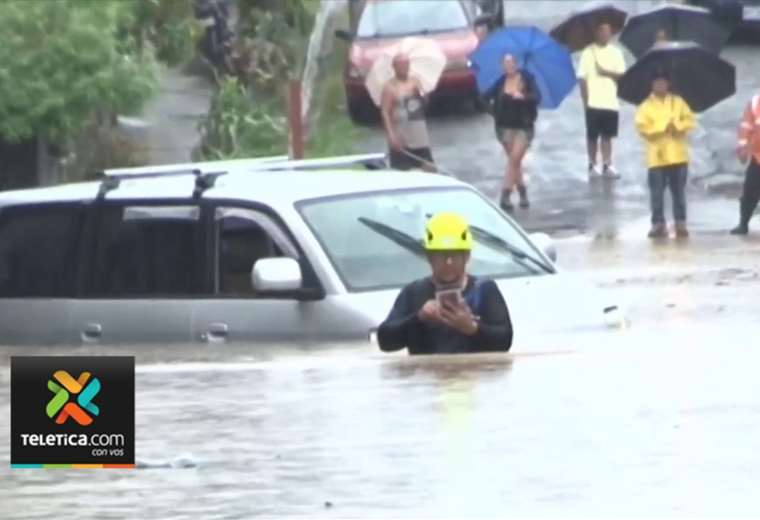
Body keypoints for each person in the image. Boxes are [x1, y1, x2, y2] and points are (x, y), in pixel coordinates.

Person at [377, 212, 513, 355]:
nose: (448, 262)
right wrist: (419, 318)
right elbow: (385, 341)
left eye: (454, 255)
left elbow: (505, 341)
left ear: (466, 256)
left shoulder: (484, 290)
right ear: (429, 257)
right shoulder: (414, 292)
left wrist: (472, 328)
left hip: (474, 375)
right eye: (442, 255)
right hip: (427, 375)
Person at [635, 70, 695, 239]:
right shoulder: (645, 106)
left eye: (663, 82)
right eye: (657, 82)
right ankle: (658, 224)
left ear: (668, 84)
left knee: (679, 192)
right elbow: (642, 128)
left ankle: (680, 222)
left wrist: (677, 126)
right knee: (657, 194)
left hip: (678, 155)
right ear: (652, 85)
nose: (660, 85)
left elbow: (690, 121)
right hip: (657, 157)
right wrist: (662, 127)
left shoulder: (678, 102)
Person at [486, 54, 541, 212]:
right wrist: (494, 112)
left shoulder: (527, 80)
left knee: (514, 159)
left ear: (516, 64)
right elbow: (484, 98)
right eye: (505, 63)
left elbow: (537, 97)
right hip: (505, 127)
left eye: (511, 63)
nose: (508, 66)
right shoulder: (500, 82)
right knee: (514, 161)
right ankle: (523, 193)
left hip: (524, 126)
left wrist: (523, 96)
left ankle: (505, 194)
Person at [577, 22, 626, 179]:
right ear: (597, 33)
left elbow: (622, 76)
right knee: (592, 136)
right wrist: (586, 101)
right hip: (593, 102)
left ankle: (607, 164)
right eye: (603, 31)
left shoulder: (616, 53)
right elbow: (582, 79)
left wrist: (605, 72)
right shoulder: (588, 52)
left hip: (610, 101)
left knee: (607, 135)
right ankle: (592, 164)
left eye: (608, 32)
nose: (606, 34)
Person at [381, 53, 436, 172]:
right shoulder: (390, 87)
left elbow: (424, 103)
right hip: (402, 134)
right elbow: (385, 112)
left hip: (418, 132)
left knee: (429, 168)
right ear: (394, 67)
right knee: (402, 171)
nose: (404, 68)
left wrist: (421, 94)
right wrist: (391, 135)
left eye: (406, 65)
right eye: (400, 65)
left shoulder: (415, 82)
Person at [730, 92, 760, 235]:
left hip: (756, 151)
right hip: (757, 157)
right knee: (749, 191)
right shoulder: (755, 101)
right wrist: (742, 148)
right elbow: (746, 127)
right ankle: (743, 223)